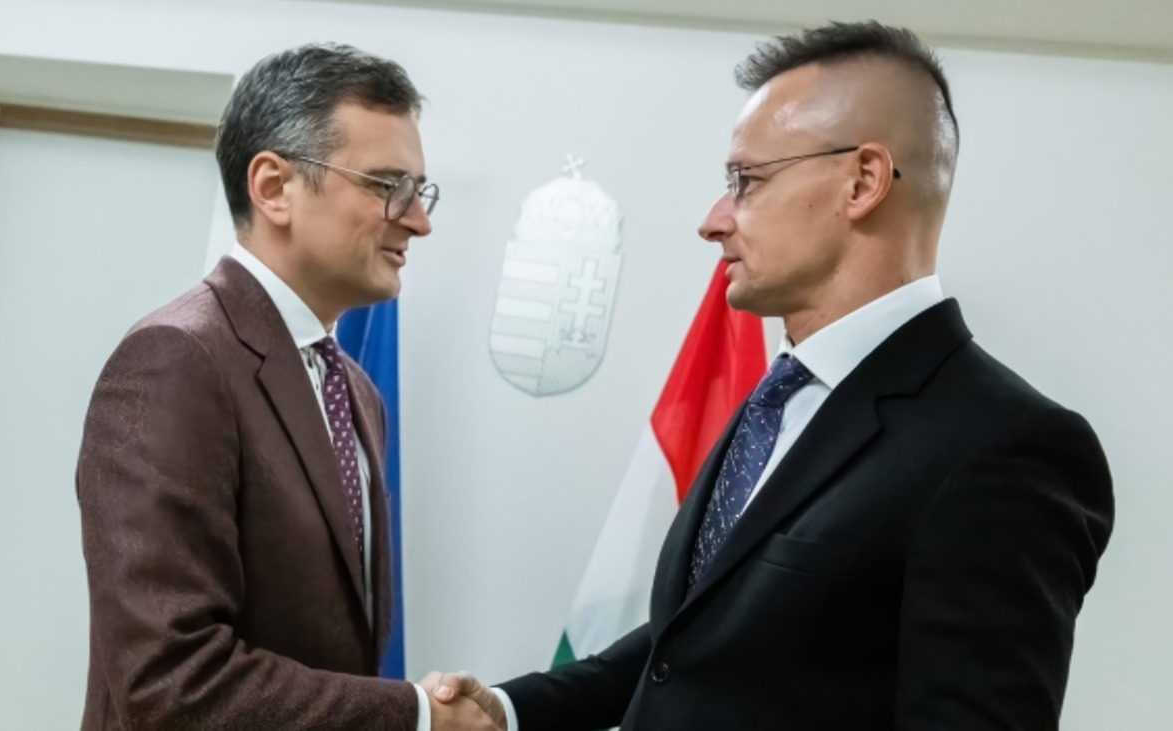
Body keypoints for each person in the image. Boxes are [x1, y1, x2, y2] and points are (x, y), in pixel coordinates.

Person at [427, 20, 1114, 730]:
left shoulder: (1005, 445)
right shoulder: (780, 396)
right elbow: (696, 646)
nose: (713, 220)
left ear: (863, 181)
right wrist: (508, 710)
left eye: (745, 181)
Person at [76, 43, 495, 731]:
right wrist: (415, 715)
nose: (419, 220)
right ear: (273, 187)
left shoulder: (357, 392)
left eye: (420, 191)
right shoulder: (176, 359)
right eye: (388, 185)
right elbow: (171, 680)